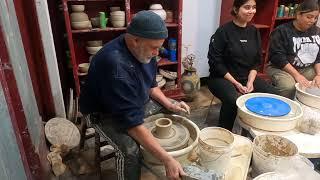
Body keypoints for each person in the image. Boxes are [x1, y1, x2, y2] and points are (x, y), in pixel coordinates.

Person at [80, 11, 190, 180]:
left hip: (131, 101)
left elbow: (151, 85)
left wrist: (169, 104)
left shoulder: (146, 51)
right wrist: (167, 159)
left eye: (158, 47)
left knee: (174, 111)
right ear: (134, 39)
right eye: (154, 47)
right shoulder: (115, 65)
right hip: (102, 113)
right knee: (131, 151)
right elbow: (131, 123)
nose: (156, 53)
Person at [207, 0, 278, 131]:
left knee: (271, 94)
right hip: (221, 77)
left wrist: (250, 81)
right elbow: (215, 63)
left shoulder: (253, 31)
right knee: (232, 100)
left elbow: (256, 61)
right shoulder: (223, 32)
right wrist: (236, 83)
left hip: (246, 77)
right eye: (247, 7)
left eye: (254, 7)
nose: (251, 11)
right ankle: (224, 134)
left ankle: (254, 130)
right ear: (236, 9)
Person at [267, 0, 320, 99]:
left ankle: (304, 106)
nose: (313, 20)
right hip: (281, 68)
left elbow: (318, 57)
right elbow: (278, 58)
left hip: (306, 68)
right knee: (288, 87)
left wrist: (318, 75)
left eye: (315, 17)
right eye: (309, 17)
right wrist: (297, 75)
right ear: (298, 15)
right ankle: (283, 107)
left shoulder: (317, 31)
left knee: (317, 82)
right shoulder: (281, 31)